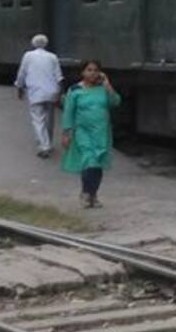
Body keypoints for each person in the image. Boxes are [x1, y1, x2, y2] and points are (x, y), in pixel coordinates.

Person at [59, 60, 119, 208]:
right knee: (89, 161)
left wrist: (107, 84)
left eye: (95, 70)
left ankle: (94, 194)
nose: (92, 73)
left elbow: (115, 102)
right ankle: (86, 193)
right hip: (83, 132)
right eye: (89, 70)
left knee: (97, 165)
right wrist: (66, 132)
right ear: (83, 72)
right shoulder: (75, 91)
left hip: (101, 133)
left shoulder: (103, 89)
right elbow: (68, 112)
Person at [14, 34, 65, 158]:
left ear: (33, 43)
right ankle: (49, 143)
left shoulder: (28, 56)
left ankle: (44, 146)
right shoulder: (52, 57)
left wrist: (19, 87)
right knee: (49, 119)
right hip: (52, 91)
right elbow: (59, 76)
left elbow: (22, 73)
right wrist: (60, 91)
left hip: (36, 92)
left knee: (38, 119)